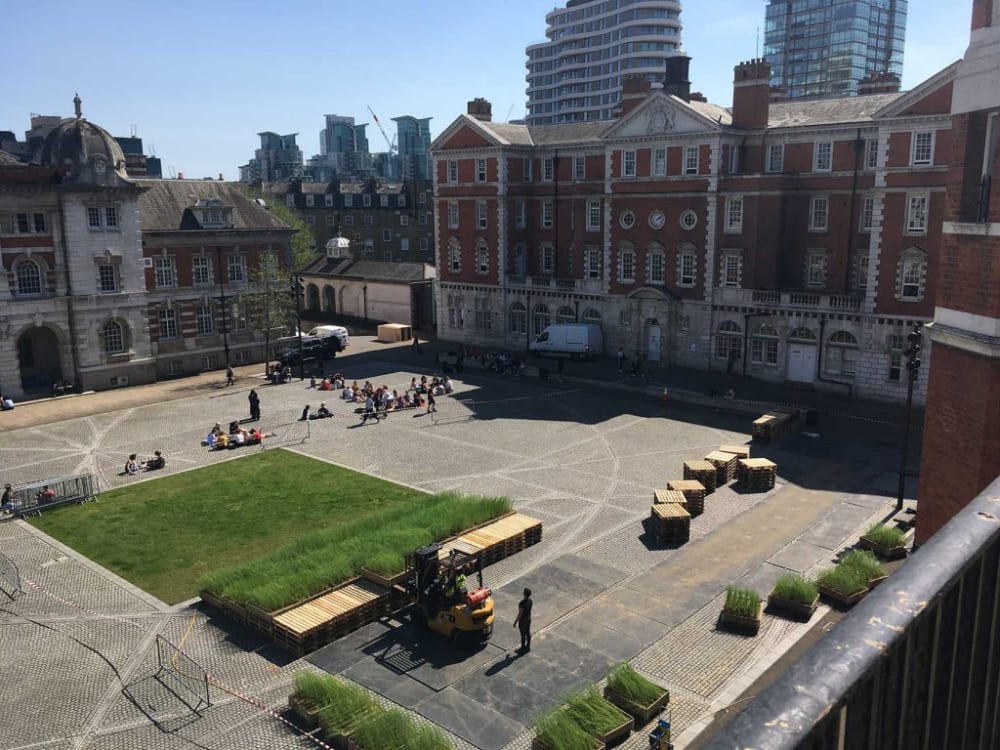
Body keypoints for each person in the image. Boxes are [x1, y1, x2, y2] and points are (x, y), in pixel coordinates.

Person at [513, 587, 533, 654]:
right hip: (528, 619)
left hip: (523, 621)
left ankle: (522, 648)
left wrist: (515, 621)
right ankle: (528, 647)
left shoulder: (521, 603)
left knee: (523, 635)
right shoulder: (530, 601)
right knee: (528, 633)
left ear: (524, 594)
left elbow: (520, 614)